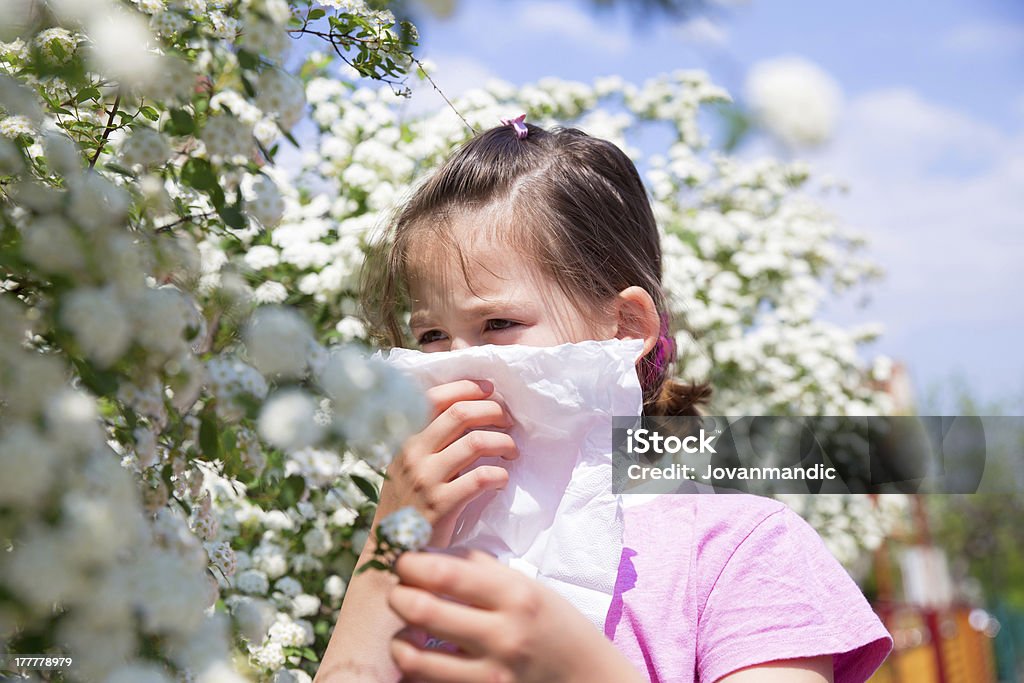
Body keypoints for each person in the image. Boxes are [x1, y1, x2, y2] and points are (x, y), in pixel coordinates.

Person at [314, 120, 893, 683]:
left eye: (497, 322)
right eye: (430, 337)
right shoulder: (434, 562)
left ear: (622, 327)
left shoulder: (742, 549)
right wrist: (389, 544)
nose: (454, 365)